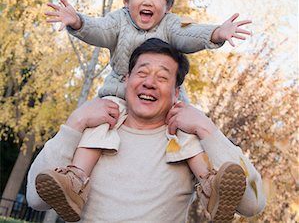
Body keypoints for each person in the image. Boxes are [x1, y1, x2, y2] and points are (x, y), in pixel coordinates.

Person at [36, 0, 252, 221]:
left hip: (167, 104)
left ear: (168, 7)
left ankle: (209, 185)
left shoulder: (170, 25)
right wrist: (78, 21)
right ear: (127, 1)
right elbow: (100, 29)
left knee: (184, 130)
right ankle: (75, 181)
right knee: (100, 124)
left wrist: (216, 33)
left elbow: (189, 32)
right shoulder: (119, 20)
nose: (148, 1)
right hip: (117, 93)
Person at [26, 39, 266, 223]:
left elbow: (252, 204)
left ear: (176, 93)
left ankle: (208, 189)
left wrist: (207, 128)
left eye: (162, 77)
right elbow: (36, 199)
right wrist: (75, 122)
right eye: (142, 73)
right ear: (127, 79)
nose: (149, 82)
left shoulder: (187, 140)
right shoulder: (95, 130)